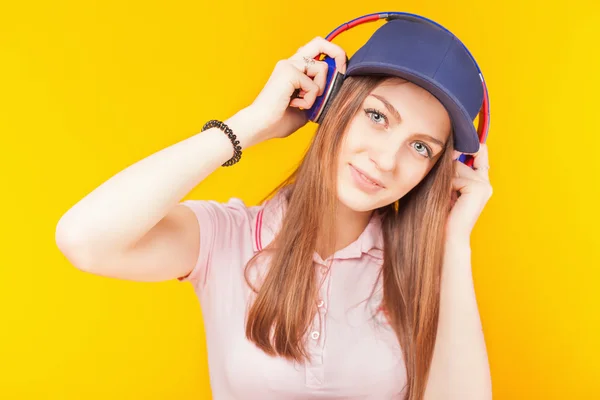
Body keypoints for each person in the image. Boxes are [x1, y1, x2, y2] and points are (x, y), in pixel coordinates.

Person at [56, 17, 493, 400]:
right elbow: (83, 240)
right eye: (377, 116)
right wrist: (252, 124)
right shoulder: (226, 238)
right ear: (330, 104)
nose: (386, 160)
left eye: (420, 147)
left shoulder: (426, 270)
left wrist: (454, 244)